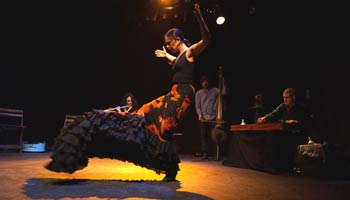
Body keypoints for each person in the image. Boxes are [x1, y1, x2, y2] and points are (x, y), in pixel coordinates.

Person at [45, 3, 210, 182]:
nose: (168, 47)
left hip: (184, 95)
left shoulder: (191, 52)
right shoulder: (179, 57)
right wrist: (166, 56)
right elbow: (176, 62)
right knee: (144, 114)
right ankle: (151, 155)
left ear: (177, 40)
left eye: (169, 44)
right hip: (173, 93)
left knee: (165, 129)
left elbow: (207, 40)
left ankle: (170, 169)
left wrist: (200, 19)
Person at [257, 88, 310, 171]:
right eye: (283, 97)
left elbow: (299, 123)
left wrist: (287, 122)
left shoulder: (301, 108)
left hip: (297, 134)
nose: (285, 99)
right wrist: (265, 117)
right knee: (272, 135)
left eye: (287, 97)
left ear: (293, 97)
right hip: (284, 132)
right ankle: (273, 165)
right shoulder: (282, 106)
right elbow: (274, 114)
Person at [195, 75, 219, 160]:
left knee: (214, 136)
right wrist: (200, 115)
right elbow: (197, 106)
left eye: (206, 81)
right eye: (203, 81)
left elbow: (224, 93)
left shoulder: (215, 90)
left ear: (209, 82)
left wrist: (222, 79)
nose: (205, 83)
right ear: (201, 83)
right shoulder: (198, 93)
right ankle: (205, 153)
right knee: (203, 136)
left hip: (213, 117)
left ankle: (215, 154)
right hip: (203, 118)